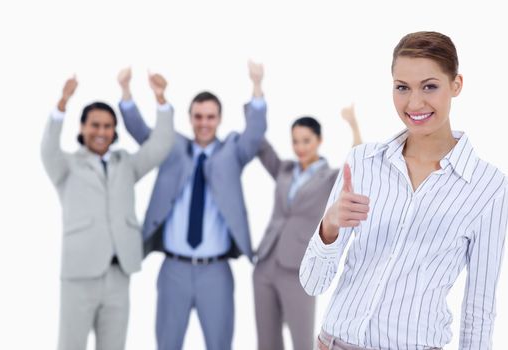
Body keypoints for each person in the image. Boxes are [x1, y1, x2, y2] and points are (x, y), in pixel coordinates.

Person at [300, 31, 508, 350]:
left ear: (456, 84)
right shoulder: (362, 162)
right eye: (402, 88)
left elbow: (479, 309)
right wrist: (328, 228)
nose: (414, 103)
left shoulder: (488, 187)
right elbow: (313, 283)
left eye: (429, 86)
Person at [118, 61, 267, 350]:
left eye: (210, 117)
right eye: (198, 116)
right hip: (173, 269)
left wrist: (257, 85)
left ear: (220, 119)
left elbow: (255, 132)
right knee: (168, 344)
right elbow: (140, 131)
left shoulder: (232, 151)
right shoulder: (171, 146)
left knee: (219, 344)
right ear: (189, 118)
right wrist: (130, 92)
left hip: (216, 271)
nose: (204, 123)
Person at [41, 73, 174, 350]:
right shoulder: (66, 166)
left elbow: (160, 146)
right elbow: (47, 149)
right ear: (83, 127)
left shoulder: (125, 163)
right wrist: (62, 103)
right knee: (71, 344)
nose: (101, 132)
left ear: (115, 131)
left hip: (118, 272)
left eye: (108, 126)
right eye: (95, 125)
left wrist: (160, 100)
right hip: (80, 274)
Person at [253, 106, 362, 350]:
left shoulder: (329, 178)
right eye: (295, 142)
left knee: (302, 341)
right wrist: (256, 95)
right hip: (266, 262)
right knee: (266, 342)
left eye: (306, 141)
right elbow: (260, 145)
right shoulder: (284, 169)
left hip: (299, 268)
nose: (300, 147)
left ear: (319, 140)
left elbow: (356, 165)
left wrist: (353, 124)